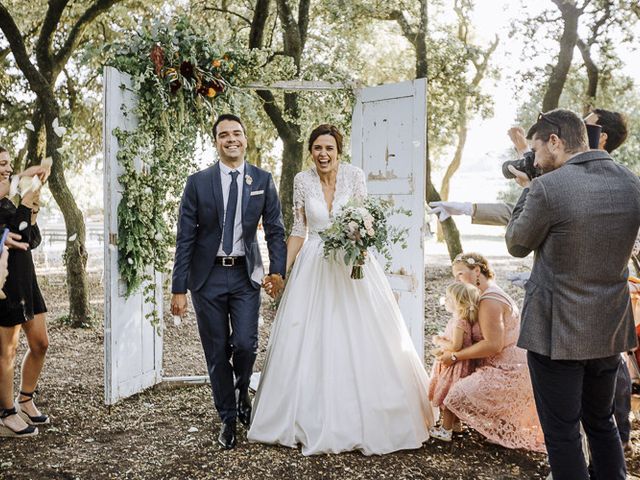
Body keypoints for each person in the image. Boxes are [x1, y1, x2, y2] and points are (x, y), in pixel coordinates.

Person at [248, 124, 434, 455]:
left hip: (352, 264)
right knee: (310, 336)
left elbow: (365, 219)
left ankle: (369, 416)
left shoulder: (355, 176)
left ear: (339, 151)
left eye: (329, 148)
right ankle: (304, 415)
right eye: (317, 148)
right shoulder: (302, 181)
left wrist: (360, 245)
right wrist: (281, 272)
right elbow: (298, 230)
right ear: (310, 151)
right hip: (315, 265)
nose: (323, 154)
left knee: (363, 336)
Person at [505, 109, 640, 480]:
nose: (533, 158)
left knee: (562, 434)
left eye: (536, 148)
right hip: (609, 331)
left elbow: (517, 242)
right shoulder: (632, 183)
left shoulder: (549, 187)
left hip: (557, 334)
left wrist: (529, 187)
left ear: (555, 141)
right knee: (602, 423)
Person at [170, 114, 286, 450]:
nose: (231, 139)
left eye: (236, 133)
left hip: (245, 275)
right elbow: (185, 238)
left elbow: (276, 230)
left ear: (246, 138)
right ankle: (227, 416)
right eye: (224, 135)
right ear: (216, 142)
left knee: (246, 345)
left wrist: (277, 271)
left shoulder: (262, 180)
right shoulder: (198, 182)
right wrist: (179, 287)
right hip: (206, 279)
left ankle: (241, 394)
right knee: (217, 351)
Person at [437, 252, 545, 452]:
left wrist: (454, 356)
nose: (457, 280)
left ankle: (501, 424)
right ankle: (491, 425)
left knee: (455, 395)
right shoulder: (483, 295)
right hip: (497, 365)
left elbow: (493, 345)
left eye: (460, 274)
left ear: (477, 271)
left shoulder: (490, 300)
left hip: (508, 371)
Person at [0, 146, 50, 437]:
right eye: (2, 164)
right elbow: (16, 234)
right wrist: (29, 193)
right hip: (6, 283)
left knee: (40, 343)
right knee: (6, 352)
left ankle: (25, 398)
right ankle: (6, 414)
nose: (7, 168)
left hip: (26, 279)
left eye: (8, 163)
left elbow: (31, 238)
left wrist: (30, 199)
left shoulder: (7, 200)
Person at [428, 281, 479, 442]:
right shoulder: (459, 319)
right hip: (456, 364)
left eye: (449, 299)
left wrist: (440, 341)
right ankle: (457, 425)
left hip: (456, 366)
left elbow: (456, 346)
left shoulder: (460, 322)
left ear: (459, 303)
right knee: (452, 395)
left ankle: (446, 430)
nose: (445, 301)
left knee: (449, 397)